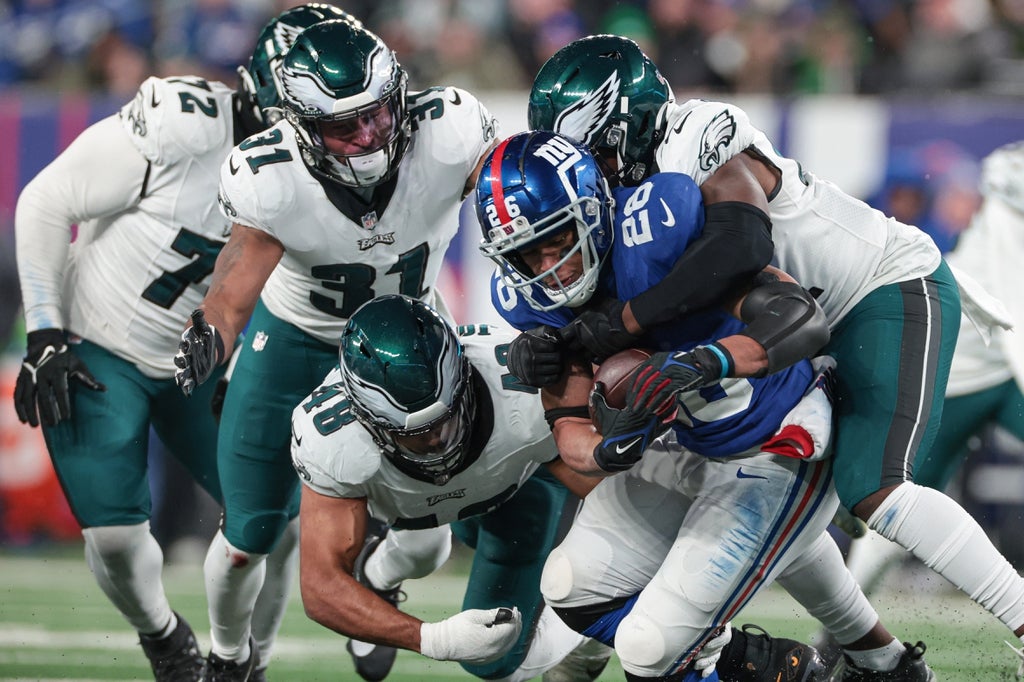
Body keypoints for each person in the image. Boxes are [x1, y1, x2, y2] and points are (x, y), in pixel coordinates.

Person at [524, 34, 1024, 677]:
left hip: (876, 290)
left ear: (621, 122)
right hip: (788, 324)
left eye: (588, 148)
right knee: (782, 488)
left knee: (872, 487)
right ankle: (881, 662)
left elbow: (738, 243)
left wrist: (619, 324)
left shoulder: (695, 133)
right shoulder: (625, 197)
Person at [472, 130, 935, 682]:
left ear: (594, 212)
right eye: (529, 254)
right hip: (690, 453)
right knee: (571, 586)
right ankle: (775, 663)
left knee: (648, 650)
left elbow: (797, 317)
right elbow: (571, 433)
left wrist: (705, 361)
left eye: (558, 240)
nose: (552, 267)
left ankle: (785, 668)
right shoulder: (536, 303)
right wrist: (612, 448)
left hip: (778, 446)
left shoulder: (658, 240)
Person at [10, 5, 352, 681]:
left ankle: (250, 662)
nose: (332, 132)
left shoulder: (327, 176)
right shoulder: (185, 122)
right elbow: (47, 200)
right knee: (113, 535)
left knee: (278, 523)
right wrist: (45, 332)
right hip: (98, 342)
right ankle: (163, 637)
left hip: (199, 359)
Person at [172, 18, 500, 682]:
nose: (369, 136)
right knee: (248, 536)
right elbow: (234, 290)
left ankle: (376, 580)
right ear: (301, 125)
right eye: (344, 126)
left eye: (376, 115)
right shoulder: (272, 175)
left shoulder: (451, 133)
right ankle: (229, 660)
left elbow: (512, 202)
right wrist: (211, 335)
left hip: (407, 340)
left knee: (428, 534)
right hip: (296, 343)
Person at [291, 293, 616, 681]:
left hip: (517, 486)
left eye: (444, 420)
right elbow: (320, 587)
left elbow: (620, 507)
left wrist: (606, 598)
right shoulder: (334, 440)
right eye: (414, 434)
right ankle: (378, 574)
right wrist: (434, 638)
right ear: (367, 420)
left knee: (494, 660)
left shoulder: (524, 391)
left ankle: (592, 636)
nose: (435, 443)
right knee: (425, 549)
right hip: (420, 505)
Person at [842, 141, 1024, 669]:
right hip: (963, 368)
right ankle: (844, 626)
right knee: (891, 500)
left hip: (993, 360)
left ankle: (840, 628)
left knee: (893, 500)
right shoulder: (1010, 182)